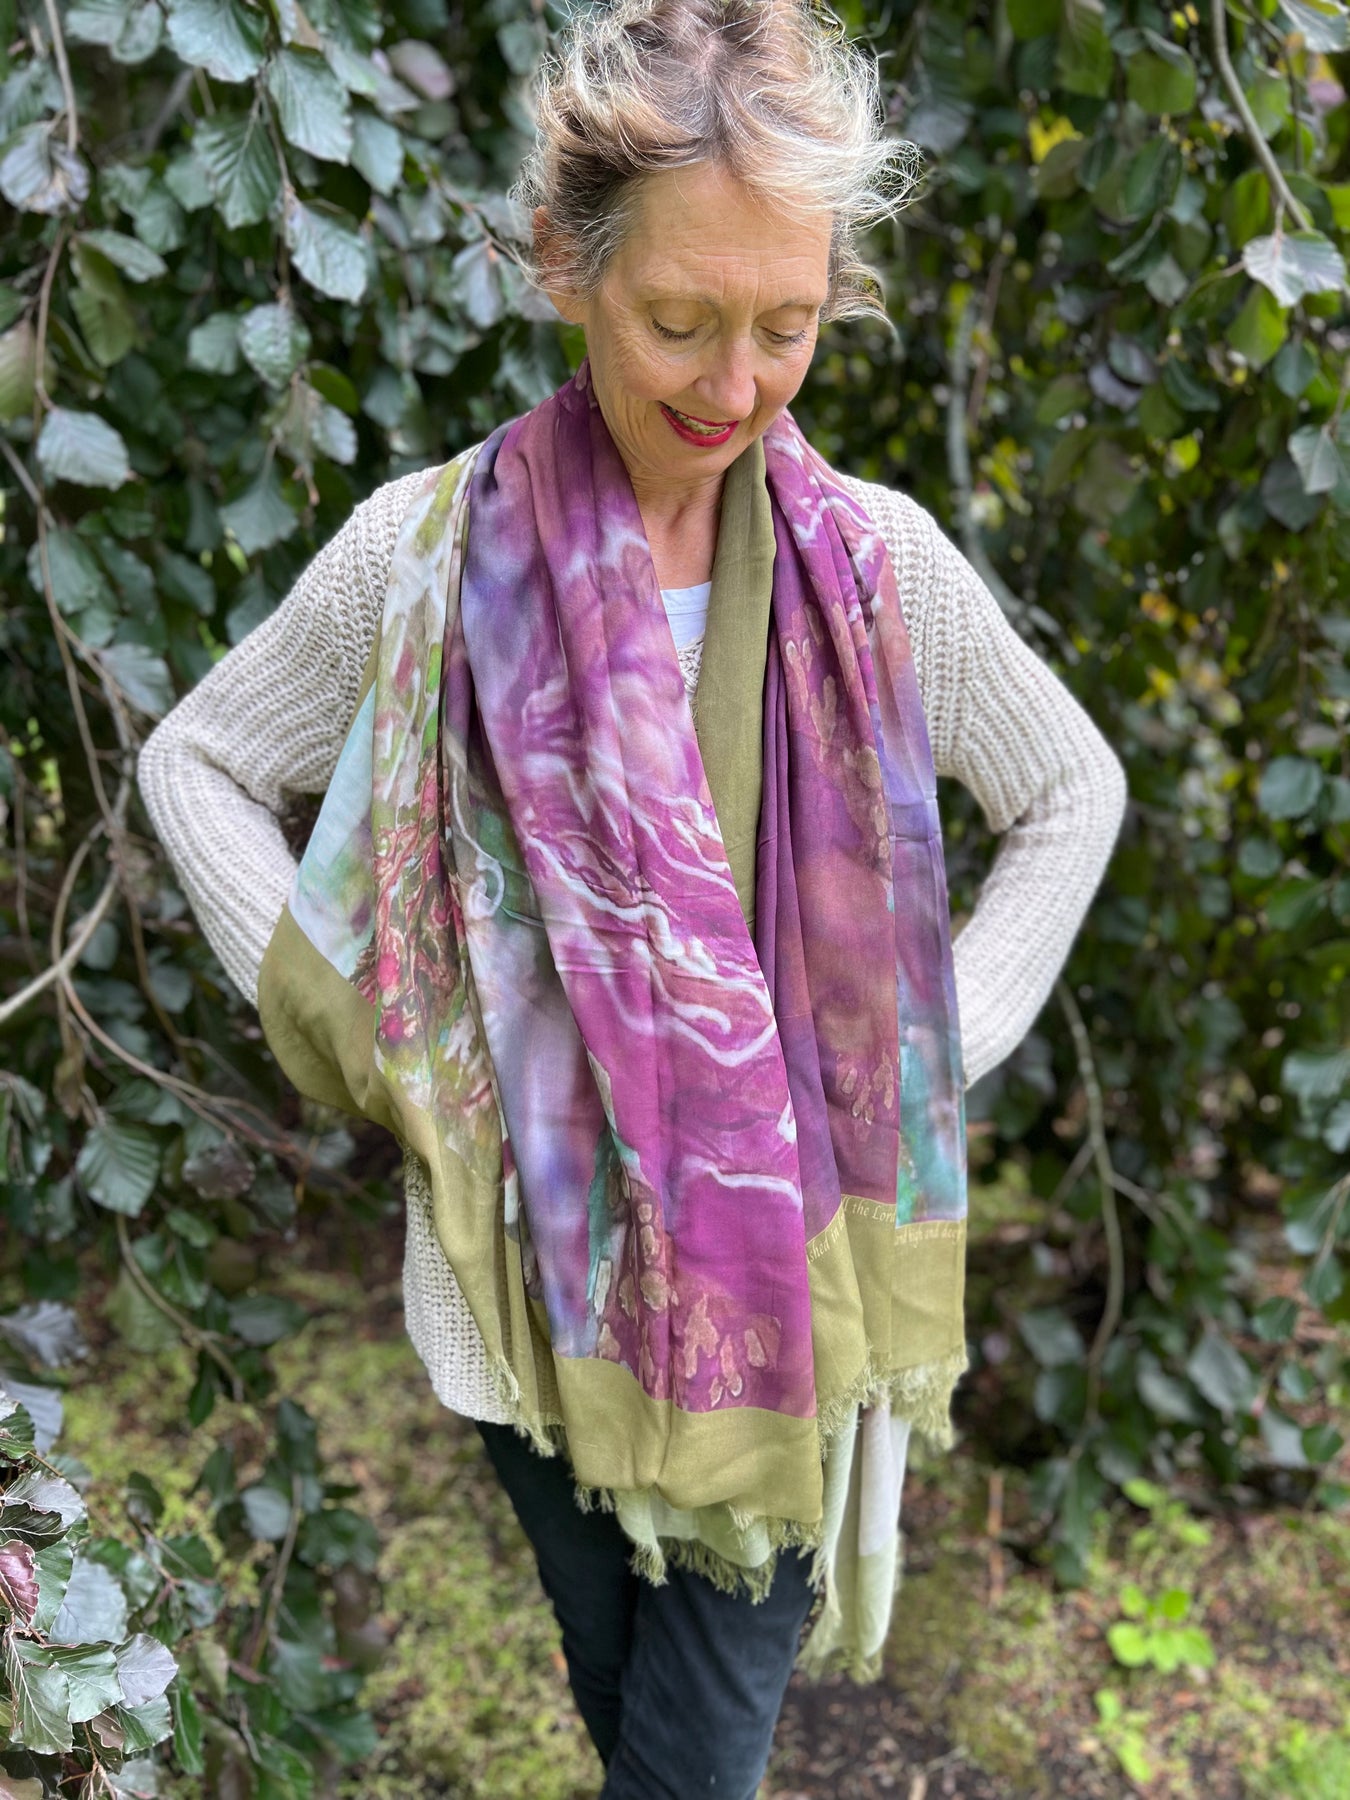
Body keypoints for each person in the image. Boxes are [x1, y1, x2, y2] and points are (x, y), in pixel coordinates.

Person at [139, 2, 1128, 1794]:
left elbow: (1071, 791)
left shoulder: (879, 570)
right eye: (679, 319)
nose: (734, 386)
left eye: (787, 326)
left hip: (797, 1289)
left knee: (690, 1759)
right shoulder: (423, 559)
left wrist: (921, 1044)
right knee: (632, 1715)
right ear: (563, 264)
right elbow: (195, 760)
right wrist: (380, 1039)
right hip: (525, 1306)